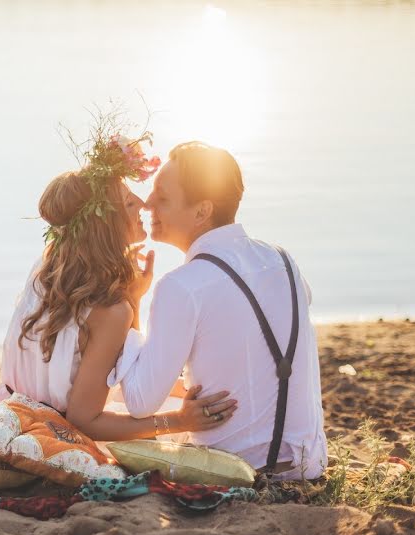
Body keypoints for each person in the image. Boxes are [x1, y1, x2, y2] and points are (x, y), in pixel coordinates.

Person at [0, 135, 238, 440]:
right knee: (182, 420)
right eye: (131, 202)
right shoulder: (110, 311)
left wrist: (133, 299)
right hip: (52, 437)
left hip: (5, 411)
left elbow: (113, 363)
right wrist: (179, 422)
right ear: (109, 223)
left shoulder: (48, 266)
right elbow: (85, 420)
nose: (144, 204)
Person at [110, 141, 328, 479]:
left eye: (162, 197)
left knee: (103, 416)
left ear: (202, 212)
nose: (148, 202)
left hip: (234, 467)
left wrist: (131, 301)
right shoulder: (283, 260)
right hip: (308, 464)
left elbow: (140, 402)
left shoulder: (181, 285)